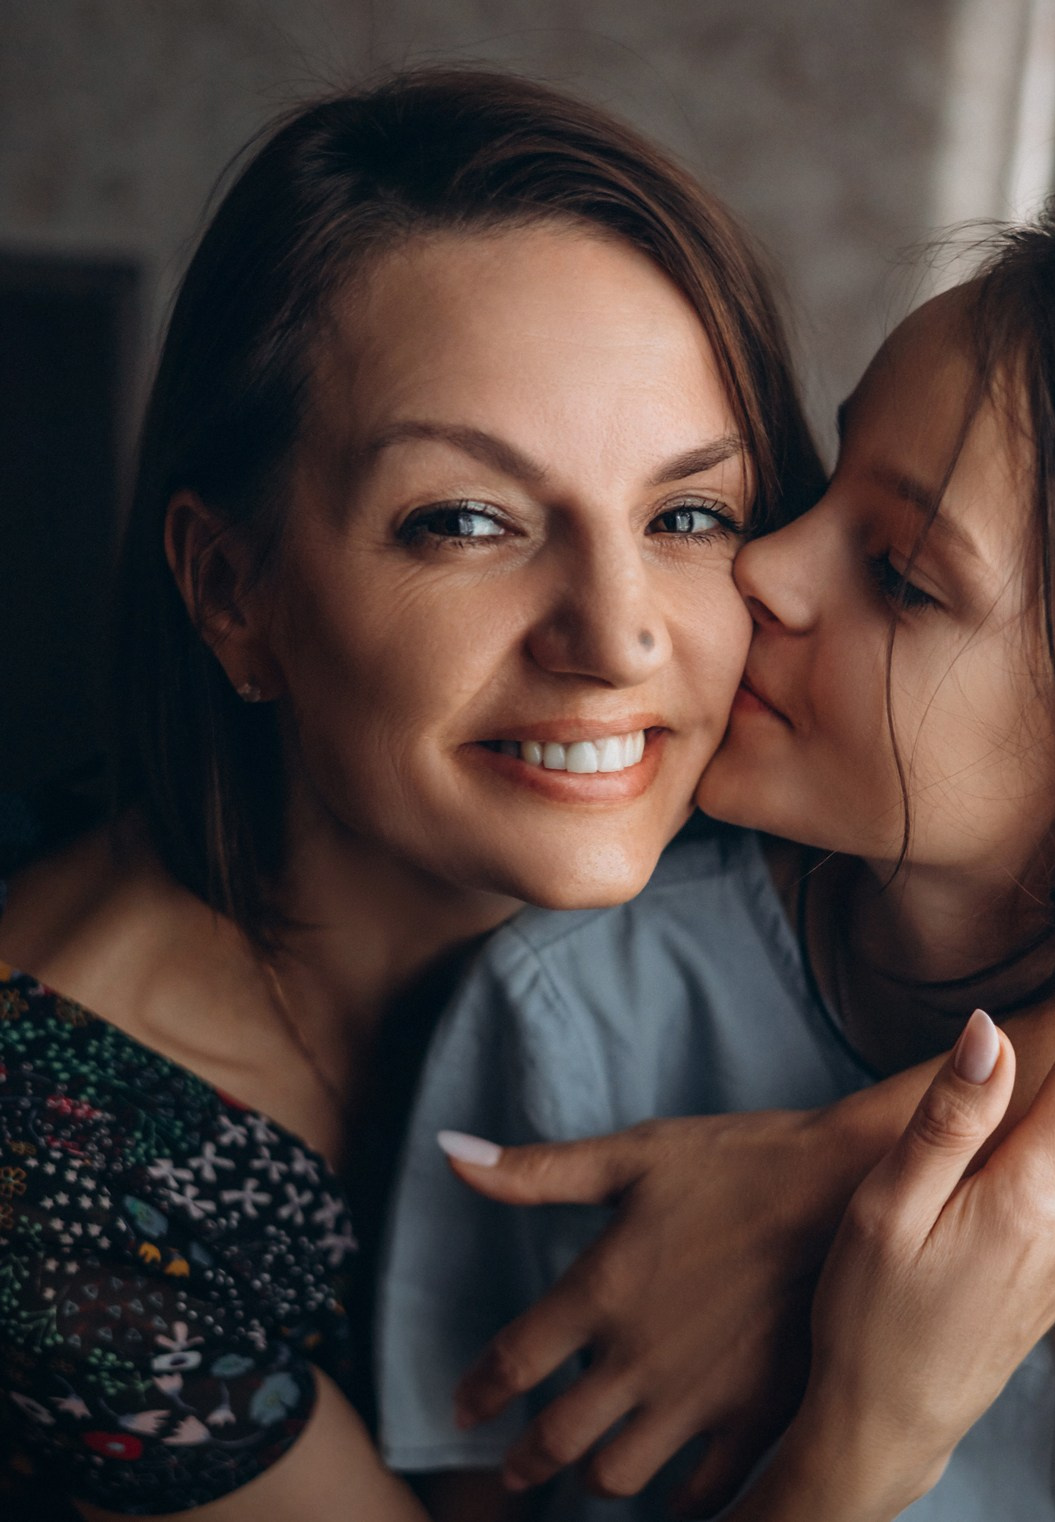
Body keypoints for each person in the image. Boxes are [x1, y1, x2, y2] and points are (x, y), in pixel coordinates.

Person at [381, 199, 1055, 1522]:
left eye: (900, 571)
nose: (766, 567)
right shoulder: (572, 1014)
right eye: (822, 485)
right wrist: (865, 1431)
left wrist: (829, 1187)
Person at [0, 67, 825, 1521]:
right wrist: (893, 1395)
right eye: (469, 521)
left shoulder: (775, 757)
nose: (621, 636)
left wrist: (834, 1170)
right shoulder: (56, 1194)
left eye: (686, 513)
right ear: (231, 589)